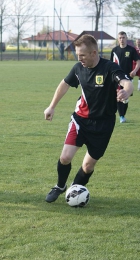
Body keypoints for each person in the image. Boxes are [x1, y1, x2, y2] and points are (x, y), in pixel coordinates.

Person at [44, 34, 133, 204]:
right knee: (65, 158)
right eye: (78, 55)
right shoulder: (78, 68)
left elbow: (126, 82)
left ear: (93, 53)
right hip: (80, 121)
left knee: (87, 167)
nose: (80, 59)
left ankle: (74, 189)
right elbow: (64, 84)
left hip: (104, 125)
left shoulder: (109, 68)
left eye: (82, 55)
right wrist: (52, 106)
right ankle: (60, 186)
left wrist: (126, 91)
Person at [110, 31, 140, 123]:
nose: (122, 39)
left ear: (126, 38)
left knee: (125, 98)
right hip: (117, 77)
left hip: (128, 78)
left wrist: (134, 71)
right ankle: (121, 116)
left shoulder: (131, 50)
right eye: (120, 38)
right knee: (119, 95)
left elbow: (138, 61)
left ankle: (122, 115)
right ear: (118, 39)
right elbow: (110, 64)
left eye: (123, 37)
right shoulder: (114, 50)